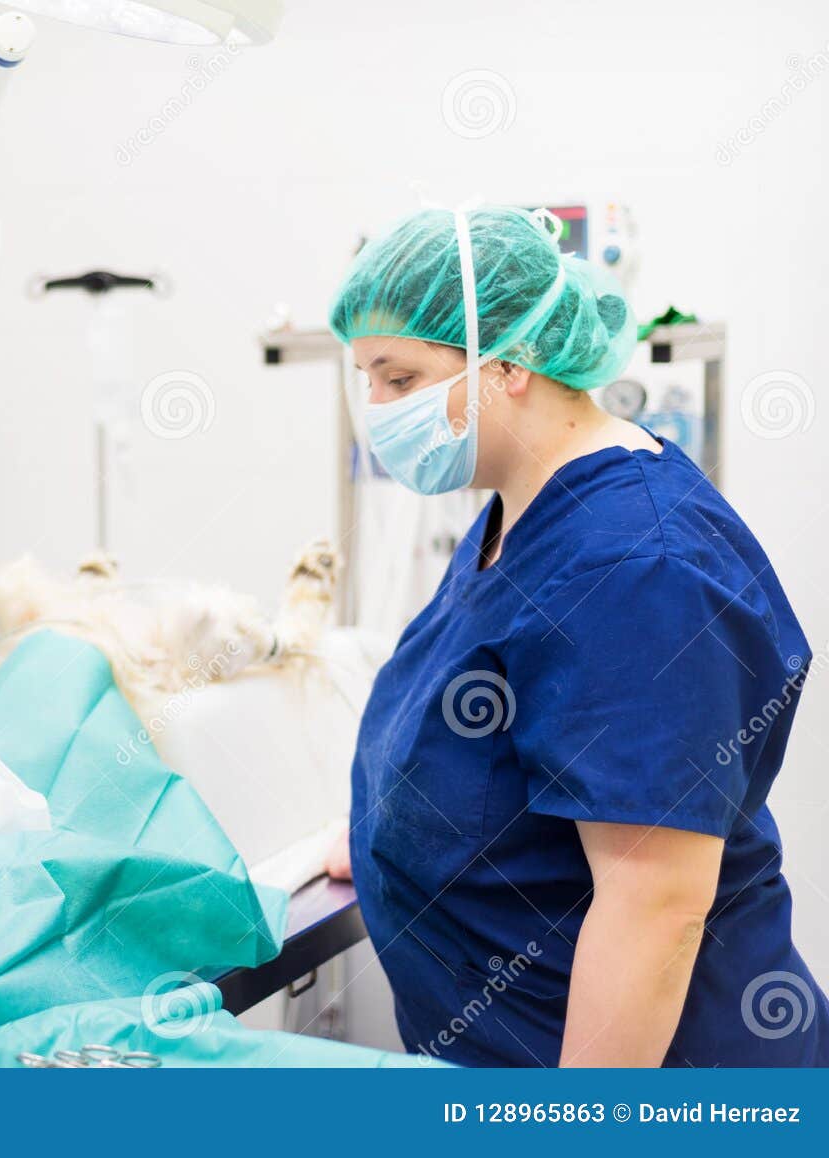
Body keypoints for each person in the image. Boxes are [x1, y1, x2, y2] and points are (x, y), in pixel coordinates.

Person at [326, 204, 826, 1067]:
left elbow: (656, 908)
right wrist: (389, 828)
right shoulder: (515, 511)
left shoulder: (637, 567)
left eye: (400, 379)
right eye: (364, 377)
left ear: (511, 365)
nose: (375, 409)